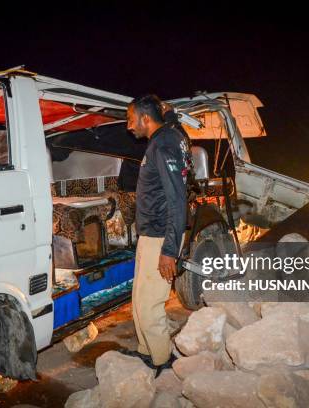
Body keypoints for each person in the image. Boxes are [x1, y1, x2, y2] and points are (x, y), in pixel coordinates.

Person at [125, 94, 189, 372]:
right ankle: (146, 350)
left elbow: (177, 199)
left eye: (130, 119)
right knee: (139, 297)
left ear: (146, 118)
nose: (129, 126)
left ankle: (161, 361)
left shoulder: (162, 145)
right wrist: (171, 113)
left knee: (150, 303)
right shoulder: (173, 135)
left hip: (161, 236)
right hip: (151, 234)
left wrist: (169, 251)